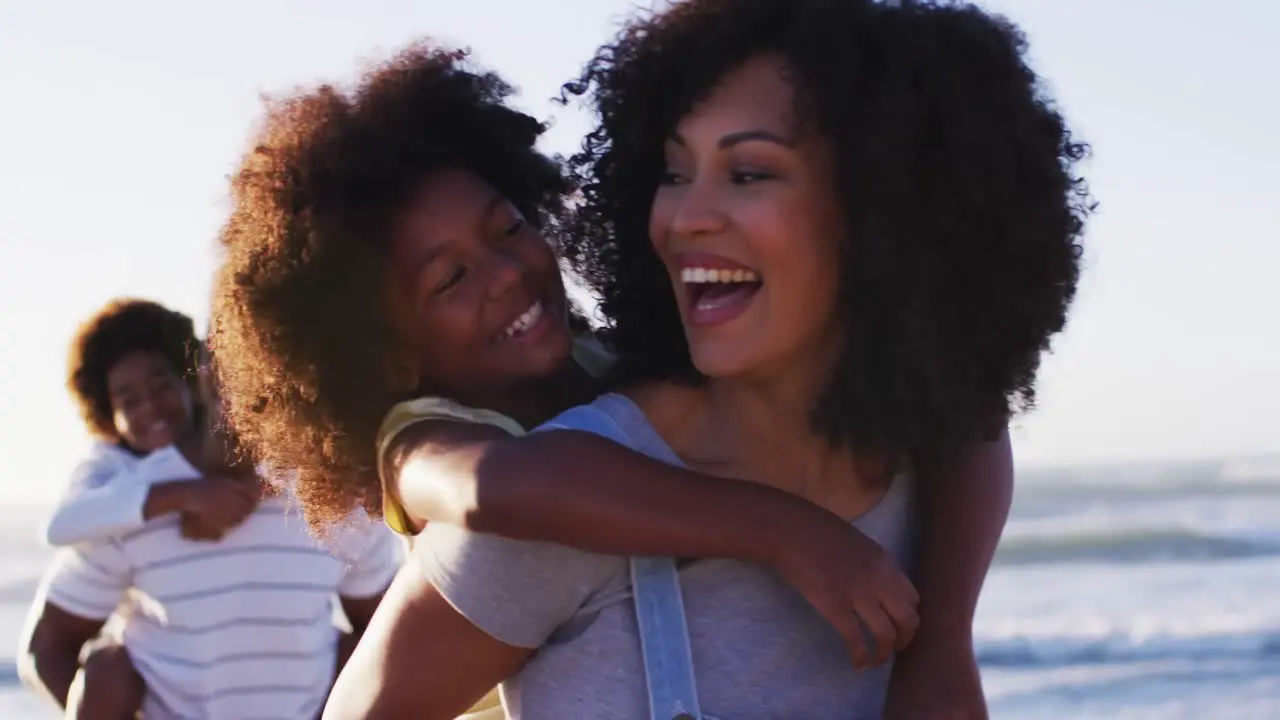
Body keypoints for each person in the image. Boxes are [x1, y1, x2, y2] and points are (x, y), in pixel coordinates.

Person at [18, 298, 402, 720]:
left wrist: (272, 484)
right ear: (205, 375)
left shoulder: (334, 496)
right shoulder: (124, 498)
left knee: (362, 650)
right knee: (106, 668)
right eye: (128, 398)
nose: (149, 406)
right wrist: (180, 496)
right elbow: (47, 646)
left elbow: (390, 637)